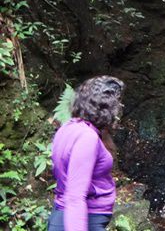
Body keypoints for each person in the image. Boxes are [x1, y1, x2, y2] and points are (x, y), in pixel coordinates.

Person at [48, 76, 125, 231]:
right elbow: (75, 197)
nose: (119, 108)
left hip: (65, 216)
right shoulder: (87, 137)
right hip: (83, 220)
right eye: (117, 103)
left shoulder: (68, 127)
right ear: (107, 107)